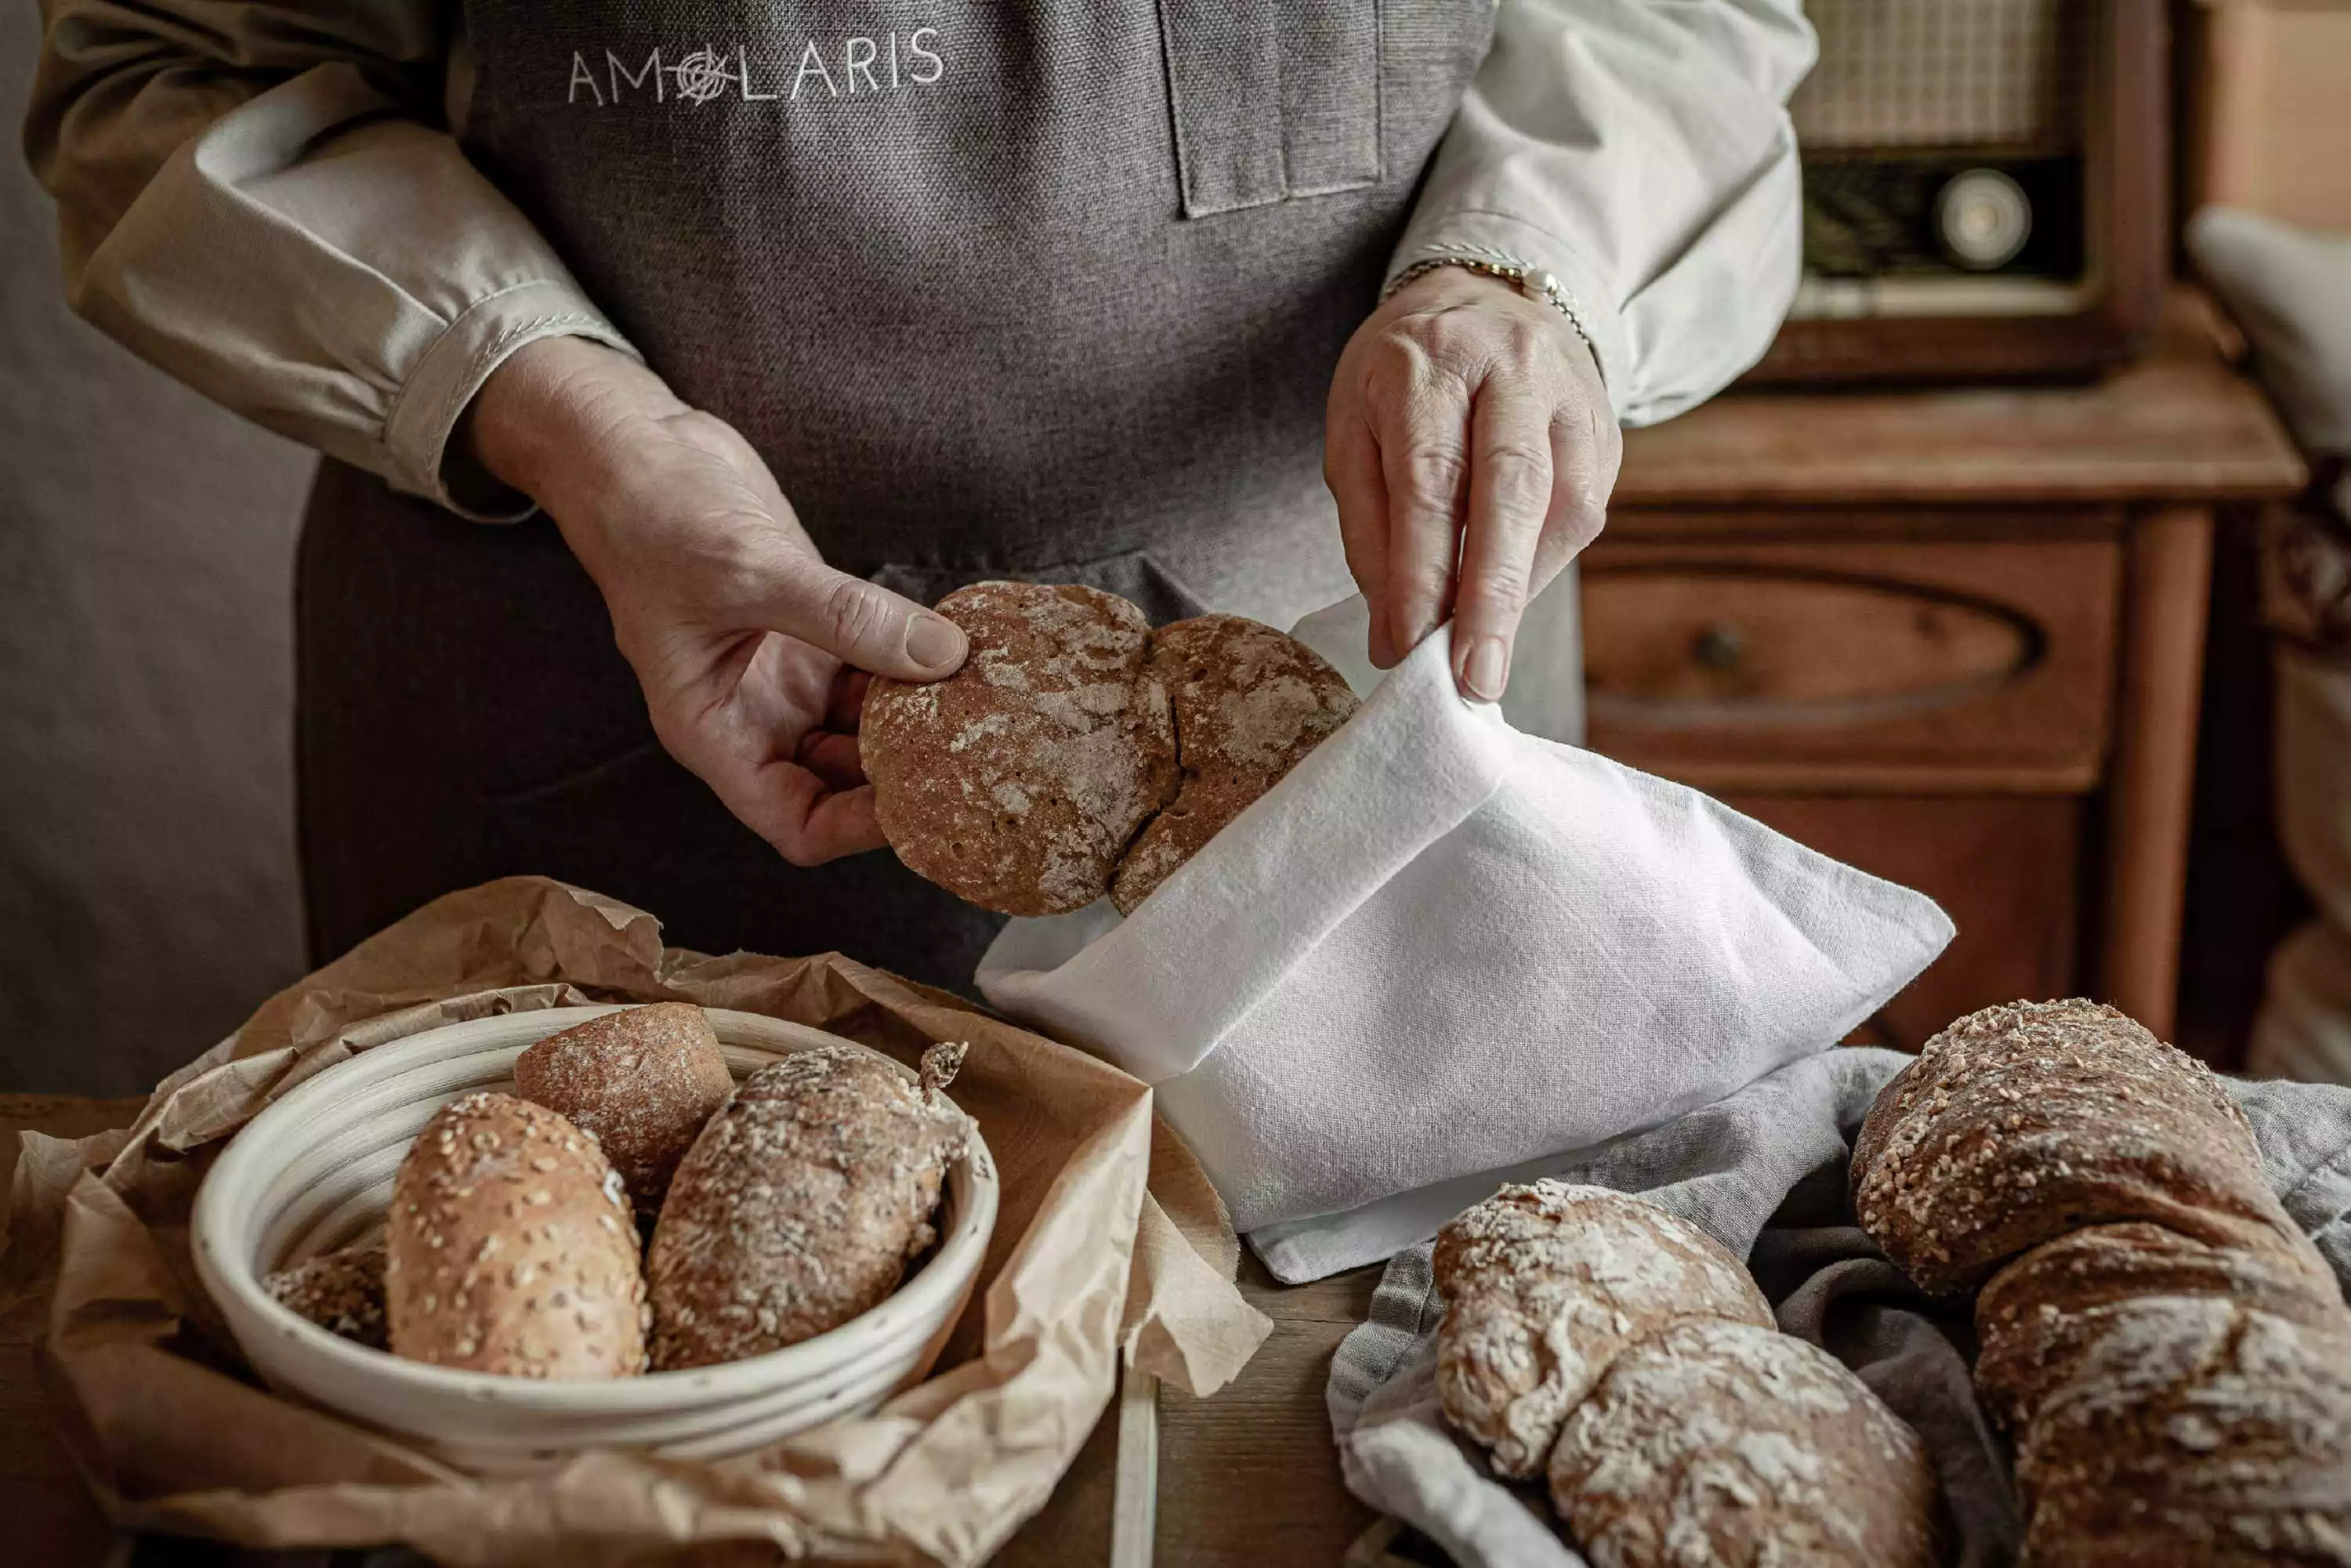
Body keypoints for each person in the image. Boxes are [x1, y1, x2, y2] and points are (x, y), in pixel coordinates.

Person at [26, 2, 1814, 986]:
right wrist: (570, 418)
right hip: (633, 731)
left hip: (1370, 708)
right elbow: (174, 76)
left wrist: (1528, 271)